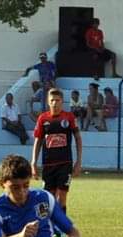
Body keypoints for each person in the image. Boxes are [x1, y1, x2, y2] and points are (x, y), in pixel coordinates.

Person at [31, 88, 82, 223]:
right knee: (48, 197)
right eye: (52, 100)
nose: (55, 103)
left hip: (65, 163)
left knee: (62, 195)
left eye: (57, 100)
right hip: (48, 164)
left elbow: (78, 138)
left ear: (62, 101)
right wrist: (33, 162)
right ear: (48, 102)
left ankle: (61, 227)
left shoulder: (69, 117)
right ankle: (48, 225)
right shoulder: (43, 118)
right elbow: (38, 140)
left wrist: (78, 161)